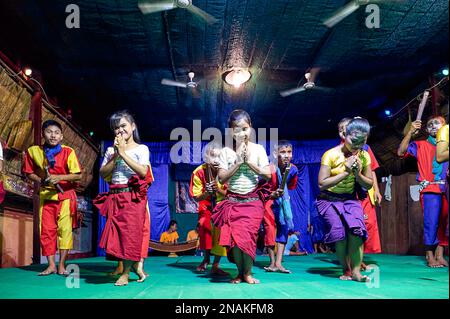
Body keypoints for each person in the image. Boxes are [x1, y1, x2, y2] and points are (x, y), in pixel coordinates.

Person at [212, 109, 271, 284]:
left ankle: (248, 273)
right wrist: (238, 163)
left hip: (252, 203)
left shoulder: (259, 149)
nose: (241, 133)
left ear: (250, 128)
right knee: (235, 242)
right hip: (232, 203)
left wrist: (249, 163)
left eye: (244, 129)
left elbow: (267, 174)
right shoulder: (225, 152)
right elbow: (221, 178)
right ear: (231, 131)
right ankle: (239, 272)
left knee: (248, 239)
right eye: (236, 129)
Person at [95, 110, 152, 286]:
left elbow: (143, 171)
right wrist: (117, 154)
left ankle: (126, 273)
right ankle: (128, 267)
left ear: (133, 126)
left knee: (130, 236)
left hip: (132, 196)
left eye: (123, 126)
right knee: (118, 236)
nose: (119, 130)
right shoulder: (111, 150)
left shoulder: (142, 149)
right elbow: (103, 172)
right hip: (115, 196)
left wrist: (124, 153)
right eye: (116, 127)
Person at [316, 117, 373, 282]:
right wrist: (346, 172)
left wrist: (357, 174)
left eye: (361, 142)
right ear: (345, 135)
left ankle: (356, 272)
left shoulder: (364, 156)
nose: (356, 145)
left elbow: (369, 184)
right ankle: (346, 269)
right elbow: (321, 184)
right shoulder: (331, 155)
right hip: (328, 199)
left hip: (349, 199)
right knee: (339, 234)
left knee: (356, 232)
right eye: (353, 140)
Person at [22, 120, 82, 276]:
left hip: (65, 196)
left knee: (65, 231)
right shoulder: (33, 151)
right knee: (47, 231)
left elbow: (78, 175)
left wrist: (59, 177)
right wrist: (42, 180)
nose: (53, 135)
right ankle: (50, 265)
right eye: (49, 131)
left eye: (56, 132)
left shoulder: (69, 152)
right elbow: (29, 172)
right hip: (47, 196)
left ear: (61, 136)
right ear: (43, 133)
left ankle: (61, 265)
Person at [398, 116, 448, 268]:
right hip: (430, 188)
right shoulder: (420, 145)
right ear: (426, 130)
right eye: (430, 125)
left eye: (437, 124)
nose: (433, 127)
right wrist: (410, 132)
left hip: (447, 187)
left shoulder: (447, 147)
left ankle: (440, 254)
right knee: (431, 222)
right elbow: (401, 151)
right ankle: (430, 255)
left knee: (445, 223)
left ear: (444, 128)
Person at [338, 117, 382, 276]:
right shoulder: (337, 151)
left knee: (365, 225)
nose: (344, 130)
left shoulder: (365, 149)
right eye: (341, 129)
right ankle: (351, 264)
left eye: (346, 127)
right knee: (350, 228)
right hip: (347, 195)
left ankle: (359, 261)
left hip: (364, 192)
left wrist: (376, 190)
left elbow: (372, 171)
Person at [189, 142, 228, 275]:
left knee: (222, 230)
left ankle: (216, 264)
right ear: (206, 157)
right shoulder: (199, 172)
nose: (216, 160)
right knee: (204, 225)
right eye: (213, 156)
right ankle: (205, 259)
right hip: (205, 203)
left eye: (219, 156)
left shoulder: (227, 171)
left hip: (222, 203)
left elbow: (232, 194)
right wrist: (207, 192)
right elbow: (196, 197)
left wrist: (218, 190)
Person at [263, 140, 298, 273]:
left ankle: (279, 263)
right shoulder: (269, 169)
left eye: (289, 152)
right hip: (268, 202)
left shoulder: (293, 169)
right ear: (275, 154)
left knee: (283, 228)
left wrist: (282, 196)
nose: (286, 155)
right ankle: (272, 263)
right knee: (270, 229)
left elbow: (291, 186)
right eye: (282, 152)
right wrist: (272, 194)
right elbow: (260, 189)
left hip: (282, 202)